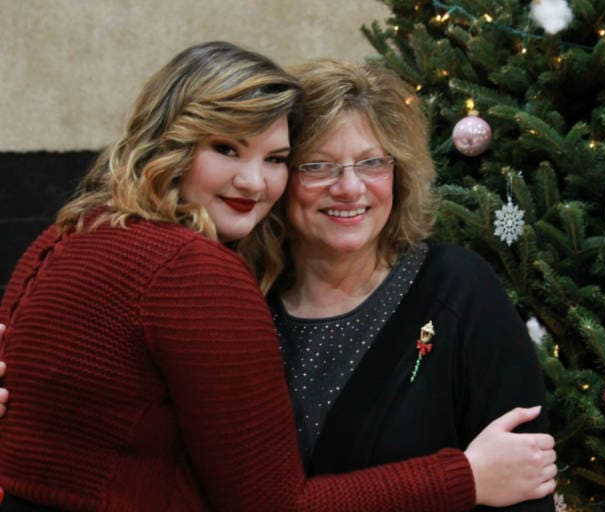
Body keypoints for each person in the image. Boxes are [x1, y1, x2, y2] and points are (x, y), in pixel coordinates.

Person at [0, 41, 552, 511]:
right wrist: (463, 478)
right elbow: (273, 505)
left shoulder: (69, 232)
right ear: (170, 144)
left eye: (275, 158)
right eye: (316, 165)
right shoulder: (206, 275)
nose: (254, 181)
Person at [242, 59, 558, 511]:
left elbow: (525, 483)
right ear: (280, 178)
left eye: (372, 162)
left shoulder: (458, 290)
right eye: (318, 166)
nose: (350, 188)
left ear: (400, 172)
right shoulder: (244, 302)